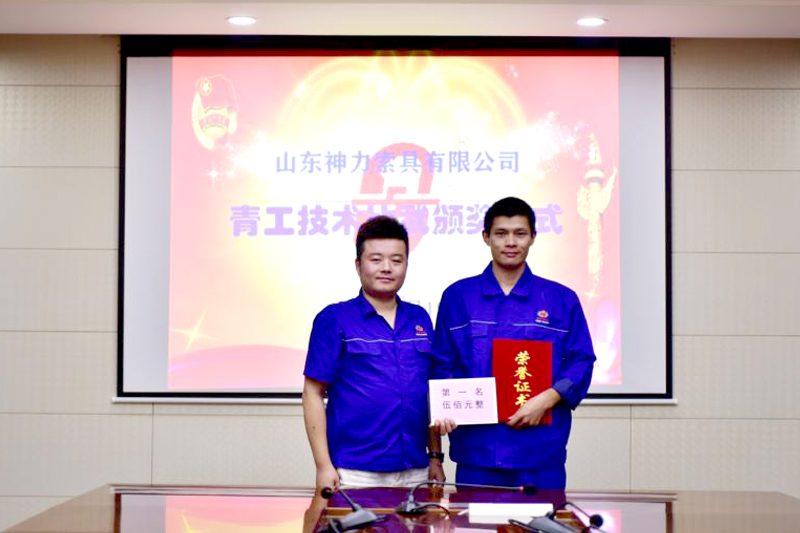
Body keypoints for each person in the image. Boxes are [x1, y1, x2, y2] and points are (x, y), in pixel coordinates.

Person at [432, 197, 595, 489]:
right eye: (501, 233)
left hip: (540, 454)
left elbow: (581, 360)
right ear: (486, 237)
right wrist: (446, 405)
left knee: (543, 516)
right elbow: (444, 362)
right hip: (477, 454)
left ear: (533, 237)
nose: (511, 242)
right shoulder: (458, 296)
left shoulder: (561, 299)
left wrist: (548, 398)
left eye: (520, 233)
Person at [302, 215, 445, 491]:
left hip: (415, 468)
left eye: (396, 260)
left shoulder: (420, 318)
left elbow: (428, 392)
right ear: (358, 265)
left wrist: (435, 456)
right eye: (376, 259)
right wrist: (323, 466)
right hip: (355, 471)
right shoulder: (334, 319)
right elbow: (312, 394)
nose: (387, 268)